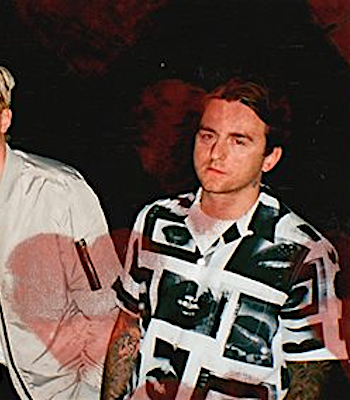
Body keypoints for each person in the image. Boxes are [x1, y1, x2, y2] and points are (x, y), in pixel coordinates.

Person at [102, 78, 348, 400]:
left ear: (270, 158)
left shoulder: (303, 252)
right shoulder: (155, 220)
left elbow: (310, 372)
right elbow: (129, 327)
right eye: (208, 136)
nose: (216, 154)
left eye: (238, 141)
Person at [0, 59, 121, 399]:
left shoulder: (58, 190)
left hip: (52, 390)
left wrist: (88, 392)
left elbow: (105, 307)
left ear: (4, 118)